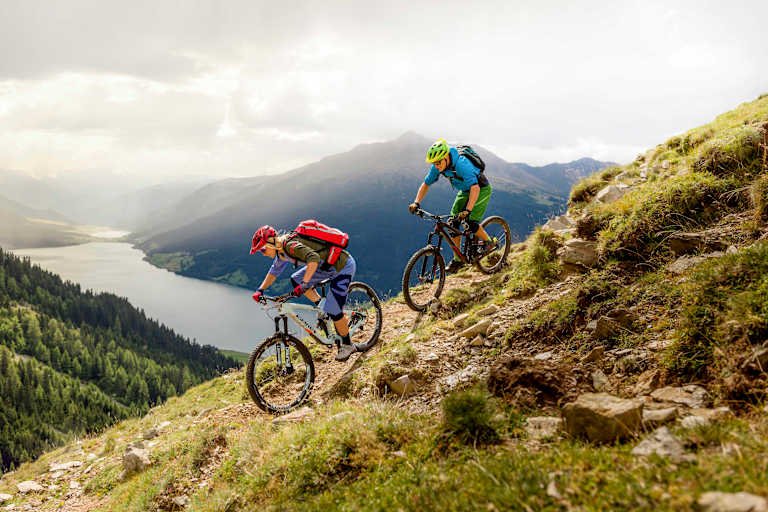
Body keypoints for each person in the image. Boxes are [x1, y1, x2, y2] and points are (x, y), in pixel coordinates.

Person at [249, 225, 358, 361]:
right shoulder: (281, 252)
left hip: (342, 266)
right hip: (324, 268)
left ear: (272, 242)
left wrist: (305, 284)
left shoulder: (290, 246)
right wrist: (260, 290)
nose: (263, 253)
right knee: (296, 279)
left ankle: (348, 345)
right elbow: (274, 271)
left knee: (334, 309)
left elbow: (314, 258)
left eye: (263, 249)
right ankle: (321, 306)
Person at [409, 138, 494, 273]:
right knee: (452, 223)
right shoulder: (437, 167)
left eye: (438, 162)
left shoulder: (461, 164)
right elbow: (426, 184)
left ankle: (489, 242)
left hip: (481, 189)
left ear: (446, 157)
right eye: (434, 163)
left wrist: (467, 210)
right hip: (465, 191)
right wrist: (416, 202)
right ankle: (458, 260)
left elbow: (475, 188)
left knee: (470, 222)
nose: (436, 166)